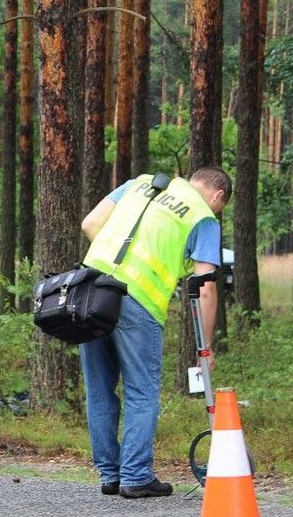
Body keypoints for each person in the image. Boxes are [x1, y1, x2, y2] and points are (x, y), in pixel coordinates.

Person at [79, 166, 232, 498]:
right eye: (220, 207)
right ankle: (135, 476)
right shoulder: (203, 217)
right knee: (142, 392)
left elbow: (89, 223)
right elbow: (204, 287)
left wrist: (116, 266)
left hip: (91, 291)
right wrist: (204, 347)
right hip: (138, 301)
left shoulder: (141, 184)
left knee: (100, 389)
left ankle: (110, 474)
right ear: (218, 196)